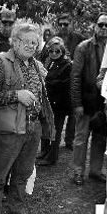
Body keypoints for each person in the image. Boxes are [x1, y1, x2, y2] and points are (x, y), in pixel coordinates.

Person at [0, 23, 54, 214]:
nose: (32, 46)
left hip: (31, 127)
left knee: (22, 174)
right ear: (15, 42)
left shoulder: (35, 64)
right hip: (9, 129)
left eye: (35, 42)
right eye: (27, 42)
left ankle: (15, 209)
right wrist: (16, 95)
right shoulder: (0, 62)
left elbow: (40, 97)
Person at [70, 12, 107, 185]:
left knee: (100, 139)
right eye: (100, 24)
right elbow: (75, 77)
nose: (103, 28)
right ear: (95, 26)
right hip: (86, 102)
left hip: (104, 104)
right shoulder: (83, 47)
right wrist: (77, 104)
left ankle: (95, 171)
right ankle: (77, 172)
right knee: (81, 139)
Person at [38, 37, 72, 166]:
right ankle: (45, 152)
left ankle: (52, 157)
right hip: (49, 102)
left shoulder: (67, 64)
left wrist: (47, 82)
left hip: (59, 104)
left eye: (57, 51)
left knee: (55, 131)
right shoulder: (49, 62)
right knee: (46, 128)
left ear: (62, 51)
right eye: (51, 51)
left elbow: (64, 84)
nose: (53, 53)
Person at [56, 13, 86, 151]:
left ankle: (69, 141)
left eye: (66, 24)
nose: (63, 27)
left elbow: (86, 57)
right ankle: (54, 142)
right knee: (58, 115)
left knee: (74, 114)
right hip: (58, 83)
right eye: (60, 24)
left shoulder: (79, 39)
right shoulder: (54, 39)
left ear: (71, 24)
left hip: (74, 82)